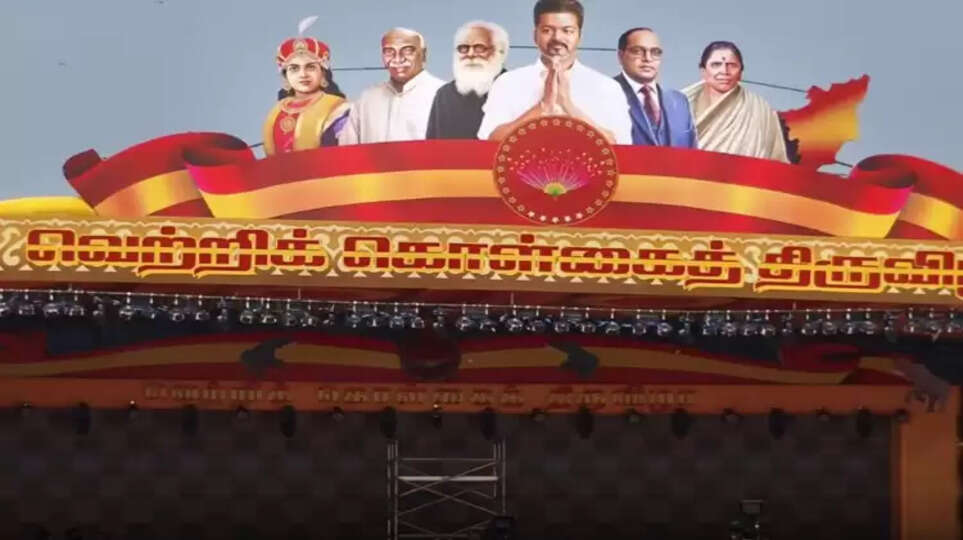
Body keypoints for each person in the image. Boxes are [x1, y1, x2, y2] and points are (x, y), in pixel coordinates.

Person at [477, 0, 631, 144]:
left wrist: (568, 106)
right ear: (535, 35)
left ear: (579, 36)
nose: (557, 38)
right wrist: (542, 107)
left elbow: (620, 146)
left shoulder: (607, 87)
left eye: (567, 31)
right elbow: (490, 140)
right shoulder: (507, 82)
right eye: (547, 30)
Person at [682, 41, 789, 162]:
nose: (724, 71)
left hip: (744, 173)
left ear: (740, 73)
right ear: (703, 71)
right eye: (716, 65)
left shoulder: (759, 109)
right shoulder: (678, 104)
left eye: (732, 65)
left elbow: (776, 160)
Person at [339, 28, 445, 144]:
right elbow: (346, 149)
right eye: (389, 52)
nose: (398, 59)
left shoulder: (444, 95)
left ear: (423, 54)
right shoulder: (366, 100)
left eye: (407, 51)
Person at [262, 24, 349, 155]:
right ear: (286, 76)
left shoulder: (339, 108)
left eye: (310, 67)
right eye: (294, 68)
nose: (303, 74)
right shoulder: (275, 112)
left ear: (323, 73)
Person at [614, 27, 696, 148]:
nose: (648, 58)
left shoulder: (679, 100)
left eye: (655, 52)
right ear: (620, 56)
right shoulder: (605, 94)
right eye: (637, 51)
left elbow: (692, 152)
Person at [426, 21, 509, 139]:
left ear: (500, 52)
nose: (470, 54)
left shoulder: (515, 88)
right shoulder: (444, 95)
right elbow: (431, 144)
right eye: (463, 48)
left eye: (479, 48)